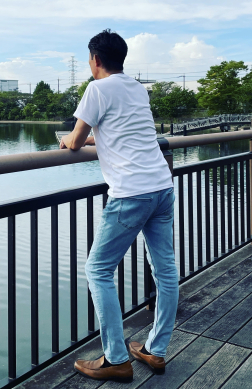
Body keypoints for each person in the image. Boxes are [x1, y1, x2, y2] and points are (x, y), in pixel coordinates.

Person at [60, 29, 179, 383]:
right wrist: (94, 140)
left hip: (131, 193)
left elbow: (76, 140)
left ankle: (115, 358)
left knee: (98, 270)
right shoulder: (137, 88)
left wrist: (68, 140)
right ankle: (156, 349)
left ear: (95, 59)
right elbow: (126, 134)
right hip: (162, 187)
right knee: (166, 271)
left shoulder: (97, 89)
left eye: (89, 59)